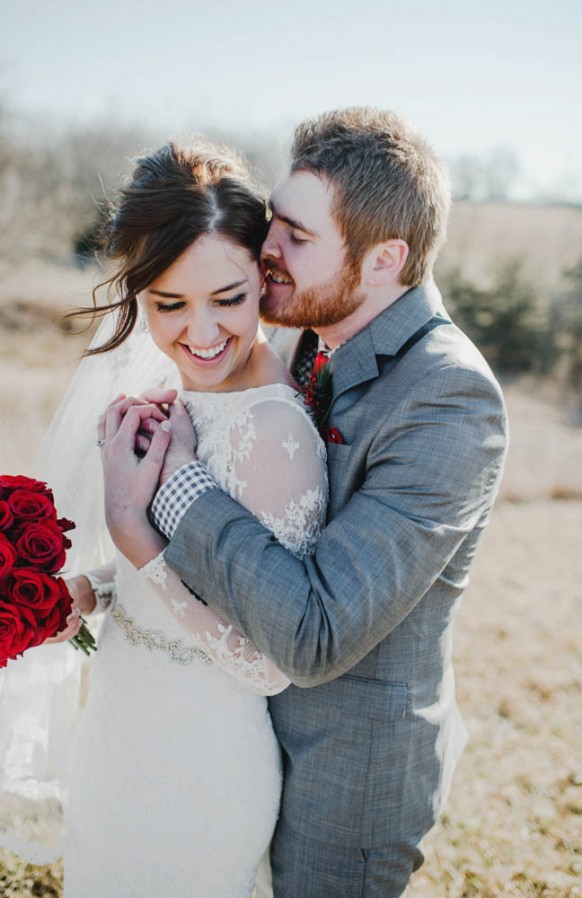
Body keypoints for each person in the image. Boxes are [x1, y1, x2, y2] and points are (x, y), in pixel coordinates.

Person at [105, 107, 509, 898]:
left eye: (296, 235)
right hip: (223, 740)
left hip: (342, 783)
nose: (268, 250)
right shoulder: (301, 334)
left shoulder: (450, 398)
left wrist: (178, 490)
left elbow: (319, 632)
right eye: (274, 222)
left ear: (385, 258)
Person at [1, 139, 328, 897]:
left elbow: (270, 665)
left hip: (203, 767)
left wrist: (133, 533)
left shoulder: (274, 432)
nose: (201, 334)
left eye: (228, 298)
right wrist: (92, 591)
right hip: (118, 727)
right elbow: (196, 569)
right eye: (168, 305)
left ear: (265, 281)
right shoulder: (186, 397)